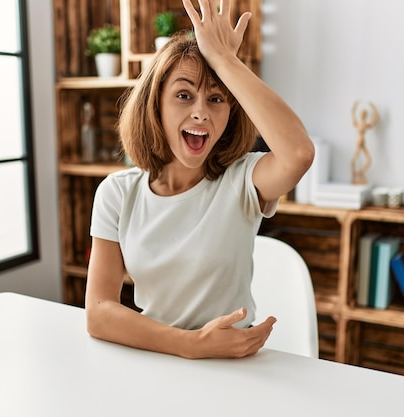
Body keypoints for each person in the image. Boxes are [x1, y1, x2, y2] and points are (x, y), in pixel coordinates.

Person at [85, 0, 314, 359]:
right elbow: (99, 312)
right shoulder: (117, 193)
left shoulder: (242, 181)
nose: (200, 112)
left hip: (233, 366)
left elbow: (299, 154)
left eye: (216, 98)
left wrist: (226, 60)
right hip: (159, 358)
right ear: (154, 104)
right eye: (183, 95)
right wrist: (191, 345)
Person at [350, 100, 379, 184]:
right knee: (354, 159)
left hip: (363, 142)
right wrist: (355, 106)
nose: (363, 115)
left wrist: (373, 108)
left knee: (369, 160)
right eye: (362, 113)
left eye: (364, 113)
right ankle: (354, 175)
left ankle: (361, 172)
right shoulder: (358, 124)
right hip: (359, 142)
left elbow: (375, 118)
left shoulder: (366, 124)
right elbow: (352, 114)